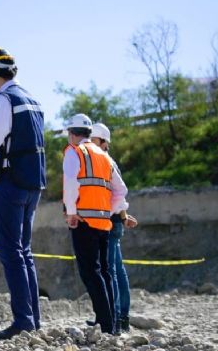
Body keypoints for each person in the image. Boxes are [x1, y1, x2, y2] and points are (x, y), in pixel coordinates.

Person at [0, 47, 46, 340]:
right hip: (33, 185)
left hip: (11, 185)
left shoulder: (3, 100)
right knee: (25, 253)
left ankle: (23, 321)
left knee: (11, 253)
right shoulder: (32, 100)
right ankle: (33, 319)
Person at [62, 113, 128, 335]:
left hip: (83, 221)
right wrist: (107, 211)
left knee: (91, 273)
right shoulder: (105, 156)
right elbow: (120, 190)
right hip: (103, 222)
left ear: (72, 134)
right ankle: (111, 324)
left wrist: (71, 212)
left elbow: (71, 183)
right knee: (105, 273)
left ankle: (107, 326)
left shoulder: (74, 152)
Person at [90, 122, 138, 333]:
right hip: (114, 220)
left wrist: (121, 216)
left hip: (108, 222)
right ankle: (121, 317)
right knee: (116, 269)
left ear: (102, 142)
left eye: (92, 140)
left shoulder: (104, 161)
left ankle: (115, 318)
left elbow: (118, 193)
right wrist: (125, 216)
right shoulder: (107, 161)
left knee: (111, 272)